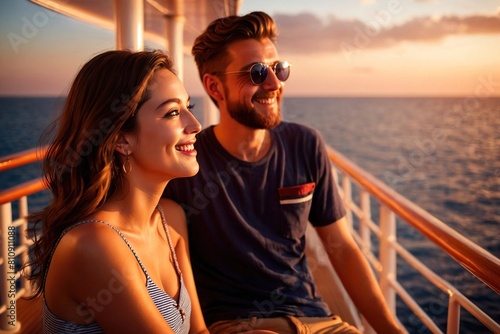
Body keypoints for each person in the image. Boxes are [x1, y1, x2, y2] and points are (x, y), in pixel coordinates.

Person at [163, 11, 404, 334]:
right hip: (236, 325)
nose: (275, 83)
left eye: (279, 68)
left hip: (316, 319)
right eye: (257, 72)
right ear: (215, 87)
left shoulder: (304, 143)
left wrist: (392, 330)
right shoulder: (187, 164)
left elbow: (343, 249)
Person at [25, 50, 209, 333]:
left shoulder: (170, 219)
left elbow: (199, 331)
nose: (195, 125)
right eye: (173, 112)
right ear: (122, 139)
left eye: (189, 107)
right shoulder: (92, 244)